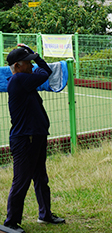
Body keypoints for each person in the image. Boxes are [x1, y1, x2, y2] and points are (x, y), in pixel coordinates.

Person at [3, 44, 65, 233]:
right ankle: (9, 223)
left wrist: (32, 55)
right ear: (18, 66)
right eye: (28, 63)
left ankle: (45, 214)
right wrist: (37, 56)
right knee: (22, 180)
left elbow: (43, 72)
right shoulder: (20, 79)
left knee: (40, 177)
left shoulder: (24, 80)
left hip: (34, 136)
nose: (31, 66)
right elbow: (46, 72)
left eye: (31, 63)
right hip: (25, 139)